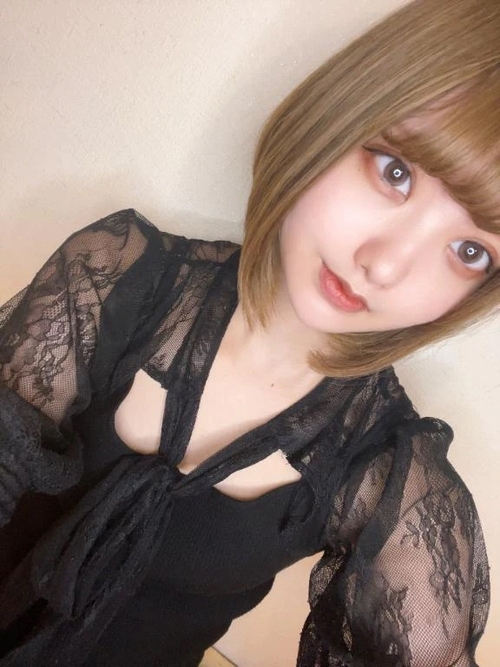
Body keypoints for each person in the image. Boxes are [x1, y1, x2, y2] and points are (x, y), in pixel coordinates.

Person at [0, 0, 497, 664]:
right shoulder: (113, 278)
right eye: (395, 172)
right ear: (334, 118)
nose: (384, 265)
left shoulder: (381, 471)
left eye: (470, 251)